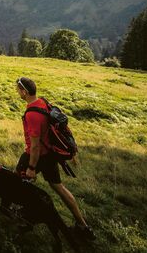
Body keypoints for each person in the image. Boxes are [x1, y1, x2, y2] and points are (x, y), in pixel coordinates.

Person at [16, 76, 95, 241]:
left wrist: (31, 168)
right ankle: (83, 226)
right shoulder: (42, 103)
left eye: (18, 90)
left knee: (19, 182)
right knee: (59, 188)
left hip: (36, 155)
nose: (17, 92)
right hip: (50, 155)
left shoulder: (31, 114)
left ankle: (26, 219)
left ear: (24, 91)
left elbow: (36, 146)